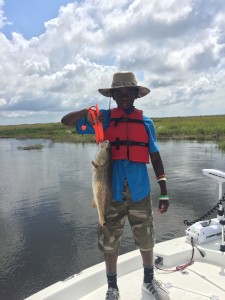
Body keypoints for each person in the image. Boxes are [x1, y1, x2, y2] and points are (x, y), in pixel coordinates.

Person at [61, 71, 170, 300]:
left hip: (140, 191)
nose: (124, 96)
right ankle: (112, 287)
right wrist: (87, 112)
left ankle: (149, 281)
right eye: (119, 92)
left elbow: (156, 157)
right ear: (114, 94)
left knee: (146, 239)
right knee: (109, 243)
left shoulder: (146, 122)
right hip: (110, 195)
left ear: (135, 95)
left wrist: (164, 192)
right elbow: (66, 121)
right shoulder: (104, 119)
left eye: (128, 91)